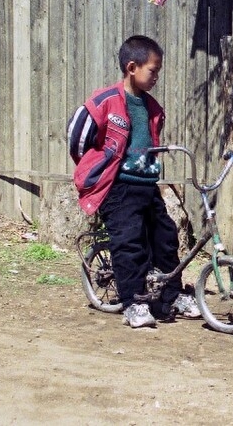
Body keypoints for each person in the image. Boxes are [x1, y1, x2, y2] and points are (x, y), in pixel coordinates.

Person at [68, 35, 199, 329]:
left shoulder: (152, 107)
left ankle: (171, 295)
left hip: (147, 185)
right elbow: (77, 139)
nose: (156, 77)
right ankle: (134, 302)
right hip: (118, 187)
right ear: (131, 67)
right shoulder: (104, 102)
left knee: (165, 238)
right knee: (130, 244)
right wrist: (97, 169)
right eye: (152, 71)